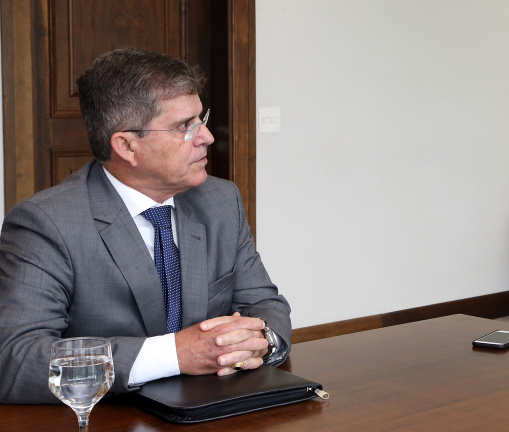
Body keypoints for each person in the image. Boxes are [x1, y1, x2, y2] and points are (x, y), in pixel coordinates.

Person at [0, 48, 291, 404]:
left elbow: (264, 302)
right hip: (106, 426)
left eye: (201, 118)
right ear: (127, 146)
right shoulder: (47, 222)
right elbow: (15, 360)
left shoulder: (220, 200)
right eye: (185, 126)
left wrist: (260, 341)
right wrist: (174, 355)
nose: (207, 137)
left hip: (215, 414)